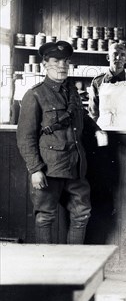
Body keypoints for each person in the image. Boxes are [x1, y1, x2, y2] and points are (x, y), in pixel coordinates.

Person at [16, 41, 107, 244]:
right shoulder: (35, 95)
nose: (62, 65)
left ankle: (72, 268)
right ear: (45, 64)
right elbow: (25, 137)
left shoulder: (72, 91)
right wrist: (35, 169)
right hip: (49, 167)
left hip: (76, 165)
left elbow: (81, 115)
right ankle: (46, 267)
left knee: (81, 214)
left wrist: (97, 130)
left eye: (65, 61)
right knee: (45, 217)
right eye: (56, 61)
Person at [89, 42, 126, 128]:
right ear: (108, 57)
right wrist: (97, 130)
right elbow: (93, 111)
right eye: (115, 54)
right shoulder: (97, 81)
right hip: (104, 129)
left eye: (122, 55)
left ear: (125, 59)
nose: (118, 58)